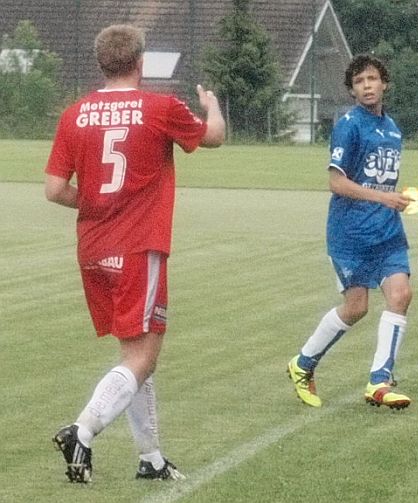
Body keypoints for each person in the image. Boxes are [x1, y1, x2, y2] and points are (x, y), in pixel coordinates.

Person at [44, 24, 225, 482]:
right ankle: (82, 430)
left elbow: (54, 189)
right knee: (143, 358)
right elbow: (214, 137)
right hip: (138, 247)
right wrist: (212, 106)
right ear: (141, 63)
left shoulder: (74, 114)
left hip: (92, 248)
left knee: (135, 355)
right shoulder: (159, 107)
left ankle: (151, 458)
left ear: (100, 63)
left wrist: (97, 203)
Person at [287, 54, 413, 410]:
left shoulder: (393, 128)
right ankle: (303, 363)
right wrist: (384, 197)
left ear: (384, 83)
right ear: (352, 90)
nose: (367, 86)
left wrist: (393, 199)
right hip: (351, 234)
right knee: (356, 307)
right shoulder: (348, 125)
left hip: (387, 232)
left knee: (401, 294)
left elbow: (380, 180)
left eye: (372, 79)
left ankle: (379, 381)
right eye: (359, 82)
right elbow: (337, 183)